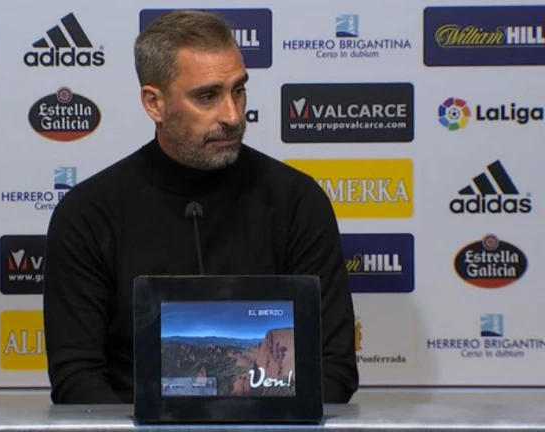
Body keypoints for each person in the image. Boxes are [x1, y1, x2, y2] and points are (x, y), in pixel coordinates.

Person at [43, 10, 358, 405]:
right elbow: (77, 378)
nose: (232, 116)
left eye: (238, 90)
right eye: (207, 96)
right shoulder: (88, 214)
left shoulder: (297, 201)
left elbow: (333, 366)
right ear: (154, 103)